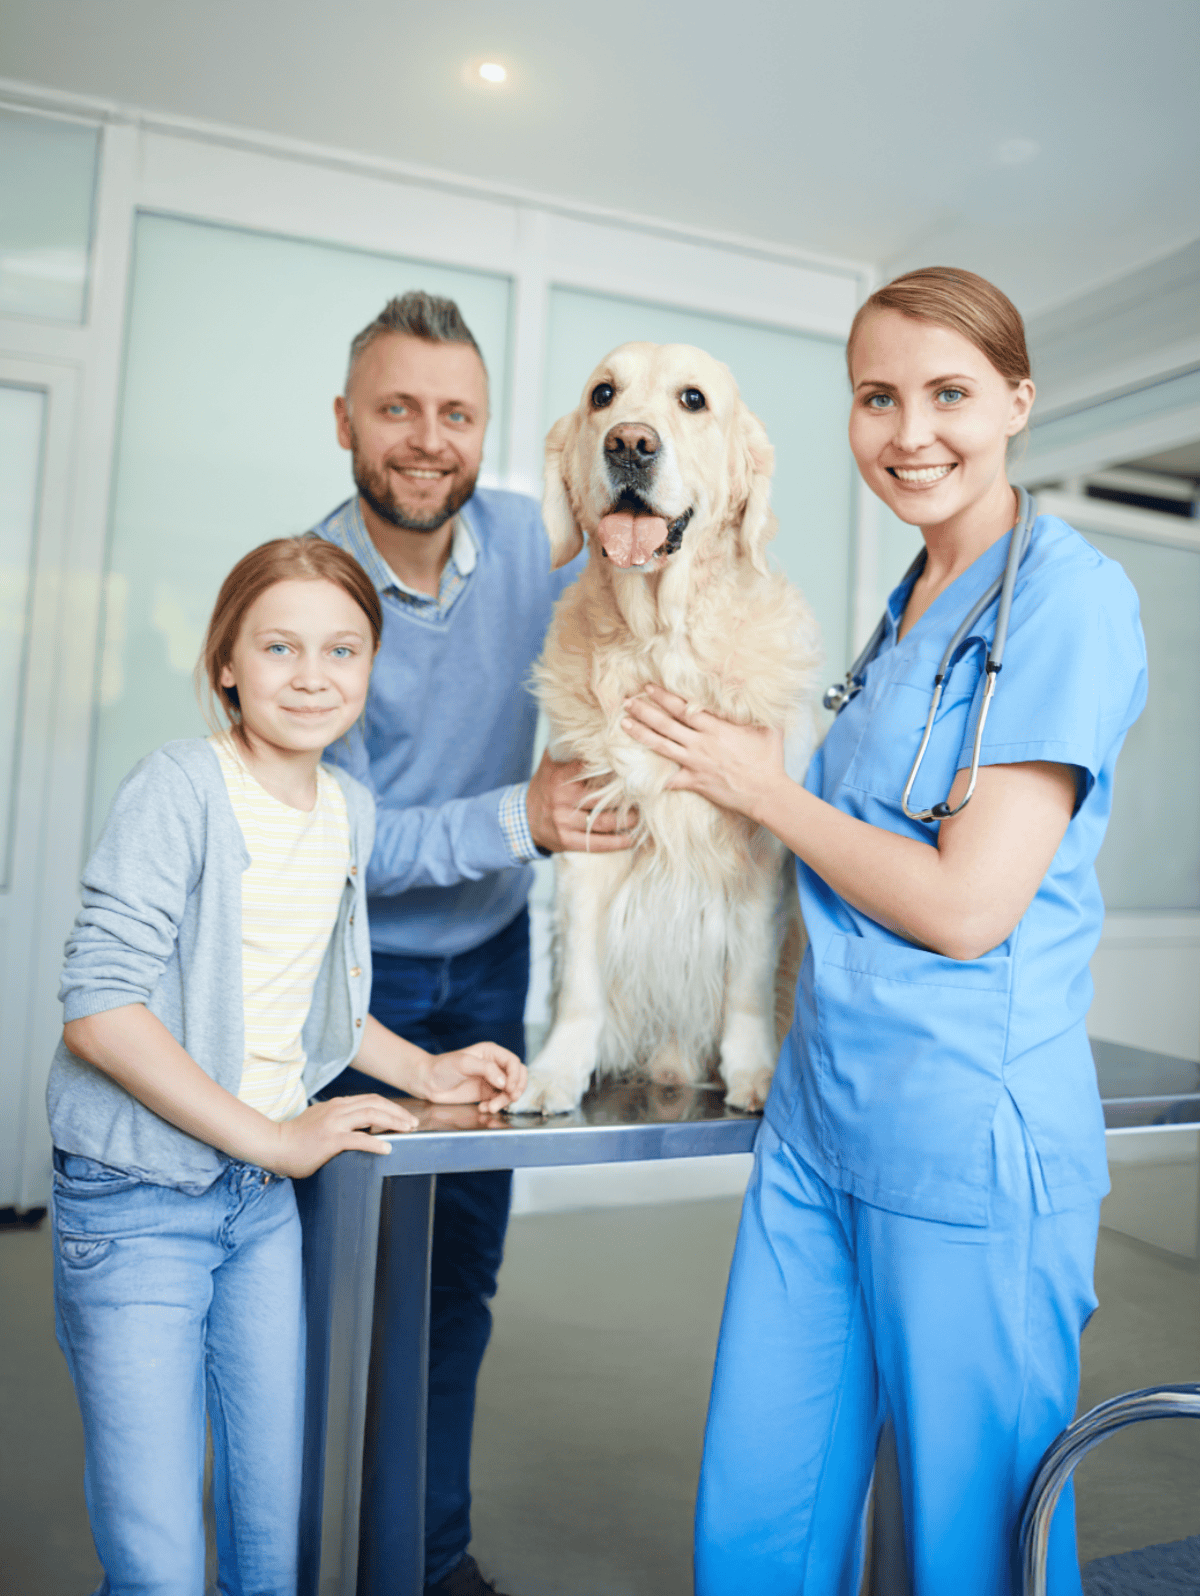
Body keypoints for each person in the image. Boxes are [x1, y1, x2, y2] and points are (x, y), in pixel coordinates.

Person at [623, 267, 1148, 1596]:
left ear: (1018, 404)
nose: (912, 433)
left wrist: (764, 790)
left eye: (950, 395)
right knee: (760, 1517)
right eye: (877, 398)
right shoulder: (907, 599)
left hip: (966, 1140)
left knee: (966, 1552)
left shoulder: (1067, 603)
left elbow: (969, 909)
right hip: (819, 1121)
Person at [48, 537, 526, 1596]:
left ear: (370, 668)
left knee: (274, 1553)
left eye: (343, 651)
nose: (312, 676)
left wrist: (425, 1073)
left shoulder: (346, 812)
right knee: (161, 1567)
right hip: (134, 1207)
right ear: (227, 662)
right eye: (280, 647)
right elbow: (99, 1007)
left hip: (258, 1207)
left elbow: (319, 1005)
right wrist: (275, 1136)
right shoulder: (179, 786)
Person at [312, 291, 633, 1596]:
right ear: (346, 420)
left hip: (493, 969)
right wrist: (524, 815)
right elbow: (336, 842)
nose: (427, 440)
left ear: (485, 429)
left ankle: (427, 1564)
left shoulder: (528, 540)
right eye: (398, 410)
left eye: (456, 414)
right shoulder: (309, 585)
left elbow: (652, 561)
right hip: (352, 989)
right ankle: (305, 1558)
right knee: (326, 1295)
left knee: (453, 1293)